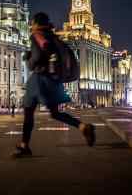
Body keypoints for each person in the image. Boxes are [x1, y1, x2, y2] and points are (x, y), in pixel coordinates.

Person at [12, 12, 95, 158]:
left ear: (36, 23)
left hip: (38, 79)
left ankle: (25, 146)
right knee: (55, 113)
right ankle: (83, 127)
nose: (31, 25)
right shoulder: (54, 36)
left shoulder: (37, 35)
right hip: (53, 79)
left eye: (32, 23)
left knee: (28, 112)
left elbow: (37, 57)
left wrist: (29, 59)